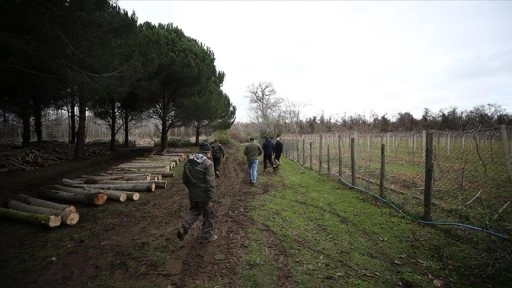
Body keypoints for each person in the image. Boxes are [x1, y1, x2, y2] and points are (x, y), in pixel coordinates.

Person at [177, 142, 217, 243]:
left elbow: (185, 179)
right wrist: (211, 198)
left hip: (193, 193)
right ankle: (206, 236)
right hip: (204, 195)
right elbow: (210, 183)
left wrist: (191, 189)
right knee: (210, 215)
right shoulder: (208, 163)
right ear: (209, 152)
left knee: (194, 211)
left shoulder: (189, 160)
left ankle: (183, 228)